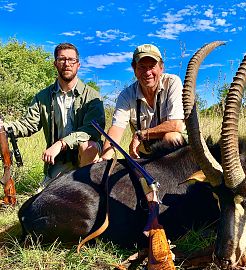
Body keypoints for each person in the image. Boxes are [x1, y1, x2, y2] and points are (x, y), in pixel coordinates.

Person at [1, 42, 105, 187]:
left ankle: (91, 188)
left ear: (78, 65)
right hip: (59, 160)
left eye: (71, 60)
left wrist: (61, 143)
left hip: (85, 157)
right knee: (43, 202)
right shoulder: (42, 97)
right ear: (55, 64)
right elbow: (28, 124)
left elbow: (91, 130)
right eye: (62, 59)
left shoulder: (93, 96)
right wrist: (4, 127)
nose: (67, 63)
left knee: (88, 146)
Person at [101, 43, 187, 160]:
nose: (147, 73)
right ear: (134, 69)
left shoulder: (172, 83)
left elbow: (176, 125)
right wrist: (105, 156)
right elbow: (117, 128)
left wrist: (141, 135)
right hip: (144, 154)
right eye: (141, 67)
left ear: (161, 68)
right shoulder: (126, 95)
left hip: (175, 155)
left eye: (152, 66)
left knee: (172, 137)